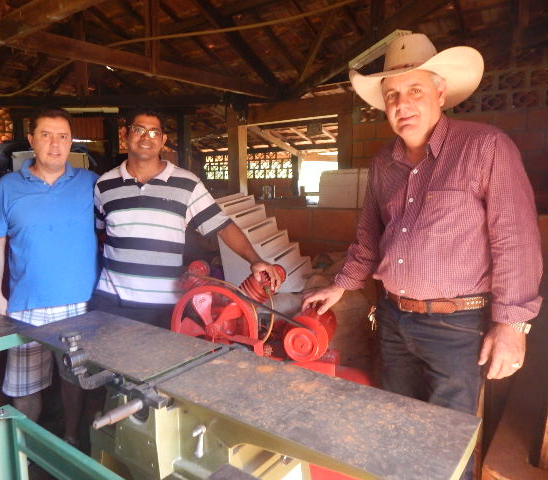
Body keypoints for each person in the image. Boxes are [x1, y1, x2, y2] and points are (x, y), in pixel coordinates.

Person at [302, 33, 542, 479]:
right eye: (392, 95)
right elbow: (369, 237)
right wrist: (341, 284)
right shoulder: (383, 164)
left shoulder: (485, 147)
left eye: (414, 90)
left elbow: (516, 239)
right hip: (394, 320)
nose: (402, 104)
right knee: (399, 431)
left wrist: (511, 323)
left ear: (440, 93)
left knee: (448, 448)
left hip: (458, 327)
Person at [89, 107, 281, 327]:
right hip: (111, 301)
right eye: (138, 129)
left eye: (154, 132)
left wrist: (255, 260)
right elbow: (100, 233)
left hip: (164, 306)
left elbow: (222, 226)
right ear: (125, 134)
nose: (146, 137)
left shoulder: (187, 183)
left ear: (163, 140)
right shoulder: (104, 184)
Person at [0, 107, 98, 446]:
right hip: (27, 306)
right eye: (46, 135)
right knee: (25, 385)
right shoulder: (8, 187)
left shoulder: (90, 183)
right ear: (32, 140)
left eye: (63, 136)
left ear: (71, 143)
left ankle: (72, 438)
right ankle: (26, 446)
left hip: (81, 305)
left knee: (74, 380)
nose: (55, 144)